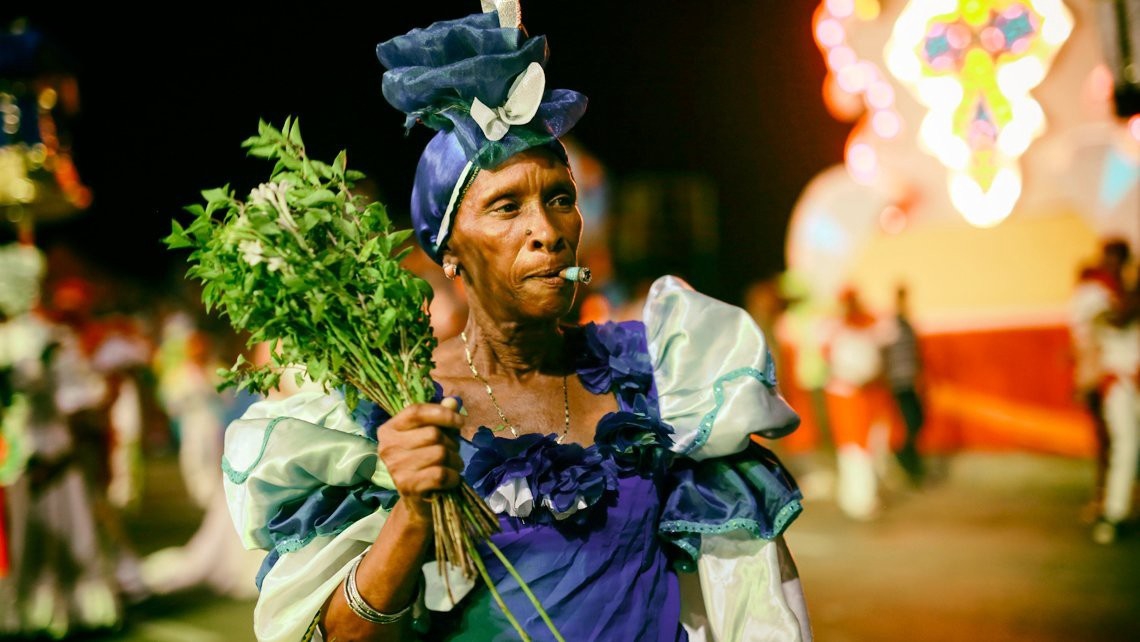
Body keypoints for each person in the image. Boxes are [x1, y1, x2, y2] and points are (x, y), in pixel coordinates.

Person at [222, 5, 811, 641]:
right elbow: (335, 638)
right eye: (506, 207)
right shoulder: (396, 411)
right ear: (447, 249)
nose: (547, 232)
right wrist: (414, 513)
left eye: (560, 199)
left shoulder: (662, 374)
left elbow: (751, 600)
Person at [883, 284, 924, 485]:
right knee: (911, 421)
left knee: (917, 420)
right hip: (898, 381)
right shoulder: (893, 325)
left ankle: (909, 459)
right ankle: (906, 460)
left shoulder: (905, 324)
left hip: (909, 379)